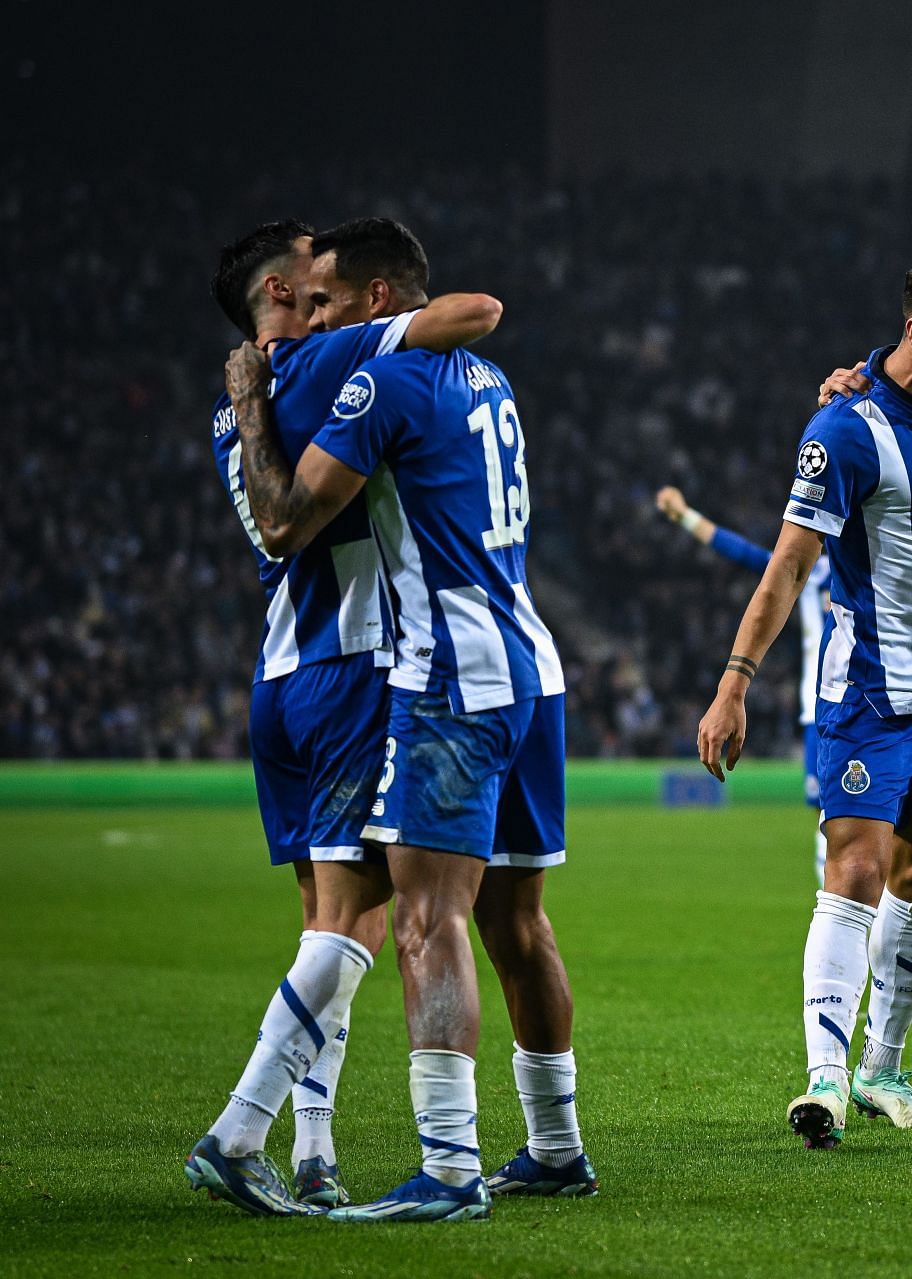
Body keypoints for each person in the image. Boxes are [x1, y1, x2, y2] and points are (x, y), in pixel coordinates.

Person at [220, 217, 592, 1221]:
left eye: (331, 302)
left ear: (378, 302)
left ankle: (449, 1166)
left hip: (450, 674)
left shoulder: (375, 381)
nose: (316, 320)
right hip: (531, 661)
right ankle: (556, 1147)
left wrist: (254, 407)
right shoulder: (489, 382)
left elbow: (288, 520)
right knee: (520, 917)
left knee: (427, 918)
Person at [186, 218, 501, 1216]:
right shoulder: (330, 357)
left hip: (282, 670)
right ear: (283, 290)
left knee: (332, 916)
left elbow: (274, 523)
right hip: (365, 662)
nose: (324, 280)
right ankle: (246, 1132)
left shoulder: (233, 408)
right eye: (310, 268)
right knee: (366, 919)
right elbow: (463, 317)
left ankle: (312, 1150)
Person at [698, 246, 912, 1150]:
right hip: (869, 689)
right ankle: (825, 1078)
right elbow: (788, 564)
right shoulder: (842, 429)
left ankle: (882, 1064)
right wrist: (735, 682)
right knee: (857, 872)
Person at [655, 486, 834, 883]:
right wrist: (684, 515)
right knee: (830, 815)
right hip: (820, 707)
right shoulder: (810, 569)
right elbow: (738, 551)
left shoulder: (879, 566)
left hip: (870, 700)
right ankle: (845, 916)